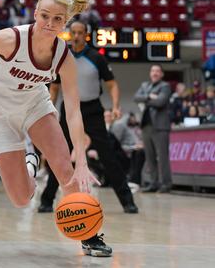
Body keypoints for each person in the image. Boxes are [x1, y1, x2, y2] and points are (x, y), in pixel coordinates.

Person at [0, 0, 113, 257]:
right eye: (45, 16)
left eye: (58, 19)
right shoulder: (11, 39)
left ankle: (89, 235)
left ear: (65, 23)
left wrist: (82, 158)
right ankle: (31, 162)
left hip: (34, 103)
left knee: (66, 169)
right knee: (20, 198)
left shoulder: (63, 57)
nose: (50, 23)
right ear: (35, 13)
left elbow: (73, 111)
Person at [38, 21, 138, 215]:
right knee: (60, 155)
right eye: (73, 32)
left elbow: (112, 84)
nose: (76, 36)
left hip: (92, 110)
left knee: (108, 155)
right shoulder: (62, 57)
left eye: (80, 32)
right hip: (68, 108)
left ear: (86, 35)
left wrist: (116, 106)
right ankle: (46, 201)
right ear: (69, 34)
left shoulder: (96, 58)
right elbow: (55, 88)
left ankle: (128, 202)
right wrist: (48, 109)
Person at [133, 64, 172, 193]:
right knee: (149, 157)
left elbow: (160, 102)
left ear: (162, 74)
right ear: (150, 73)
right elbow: (136, 97)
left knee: (162, 157)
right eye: (153, 71)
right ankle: (154, 183)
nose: (155, 73)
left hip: (160, 126)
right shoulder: (145, 86)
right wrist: (150, 97)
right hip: (146, 126)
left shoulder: (165, 86)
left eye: (157, 71)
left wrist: (145, 100)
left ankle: (166, 184)